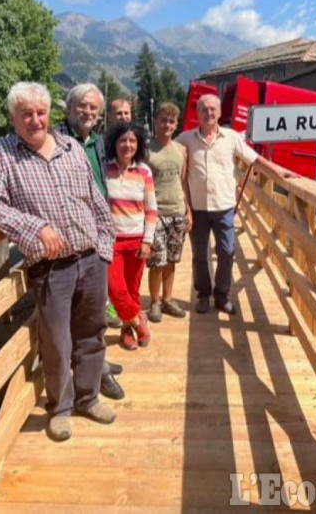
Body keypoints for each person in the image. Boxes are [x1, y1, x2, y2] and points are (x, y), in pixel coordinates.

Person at [0, 81, 116, 441]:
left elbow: (95, 199)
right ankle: (60, 408)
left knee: (92, 332)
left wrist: (105, 248)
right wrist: (36, 228)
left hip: (90, 258)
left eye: (41, 112)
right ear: (13, 118)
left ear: (49, 114)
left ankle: (89, 397)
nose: (36, 120)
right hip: (51, 266)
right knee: (57, 341)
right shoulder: (3, 155)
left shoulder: (71, 147)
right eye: (26, 114)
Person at [54, 83, 126, 401]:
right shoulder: (57, 140)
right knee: (75, 313)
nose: (87, 112)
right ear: (69, 108)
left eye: (94, 108)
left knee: (94, 309)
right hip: (68, 237)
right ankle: (94, 374)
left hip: (96, 233)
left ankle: (98, 363)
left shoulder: (95, 141)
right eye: (82, 106)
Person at [176, 94, 265, 316]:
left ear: (219, 113)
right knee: (199, 255)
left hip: (224, 207)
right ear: (198, 113)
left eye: (213, 110)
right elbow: (166, 152)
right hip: (197, 208)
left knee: (227, 252)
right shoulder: (185, 139)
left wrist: (282, 173)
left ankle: (222, 295)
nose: (209, 114)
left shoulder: (231, 137)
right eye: (204, 110)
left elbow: (254, 159)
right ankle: (204, 295)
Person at [105, 122, 158, 350]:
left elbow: (151, 209)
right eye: (123, 140)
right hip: (111, 240)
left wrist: (148, 240)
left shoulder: (144, 171)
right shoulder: (104, 168)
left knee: (132, 289)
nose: (128, 145)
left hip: (137, 239)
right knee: (116, 289)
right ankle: (138, 321)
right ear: (114, 143)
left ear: (138, 145)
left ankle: (126, 330)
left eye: (133, 141)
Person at [145, 102, 191, 322]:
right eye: (163, 120)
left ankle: (168, 299)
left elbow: (183, 182)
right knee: (157, 260)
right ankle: (154, 302)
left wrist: (188, 210)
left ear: (176, 125)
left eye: (171, 121)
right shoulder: (146, 150)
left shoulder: (181, 150)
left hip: (177, 211)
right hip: (156, 212)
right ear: (155, 121)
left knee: (172, 259)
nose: (167, 125)